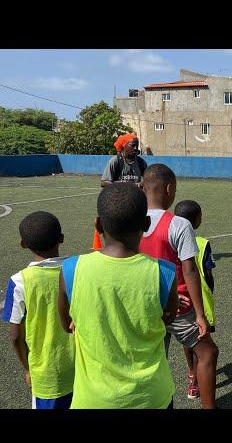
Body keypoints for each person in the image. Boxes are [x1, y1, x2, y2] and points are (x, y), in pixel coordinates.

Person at [58, 184, 178, 408]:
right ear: (146, 224)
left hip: (94, 399)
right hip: (151, 396)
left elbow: (67, 324)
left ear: (98, 225)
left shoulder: (71, 270)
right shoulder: (165, 272)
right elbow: (168, 318)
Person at [139, 163, 219, 408]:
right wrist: (200, 314)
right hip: (179, 304)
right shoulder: (178, 224)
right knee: (207, 353)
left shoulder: (133, 223)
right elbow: (189, 270)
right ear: (169, 188)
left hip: (145, 304)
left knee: (155, 360)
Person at [3, 212, 75, 409]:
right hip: (83, 368)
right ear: (61, 238)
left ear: (23, 244)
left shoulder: (19, 281)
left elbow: (15, 335)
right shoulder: (77, 269)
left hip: (46, 374)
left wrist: (27, 369)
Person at [174, 199, 217, 400]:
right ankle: (197, 382)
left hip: (179, 300)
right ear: (196, 219)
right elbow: (207, 274)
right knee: (205, 346)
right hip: (200, 301)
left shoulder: (170, 237)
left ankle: (192, 374)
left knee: (188, 341)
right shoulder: (202, 242)